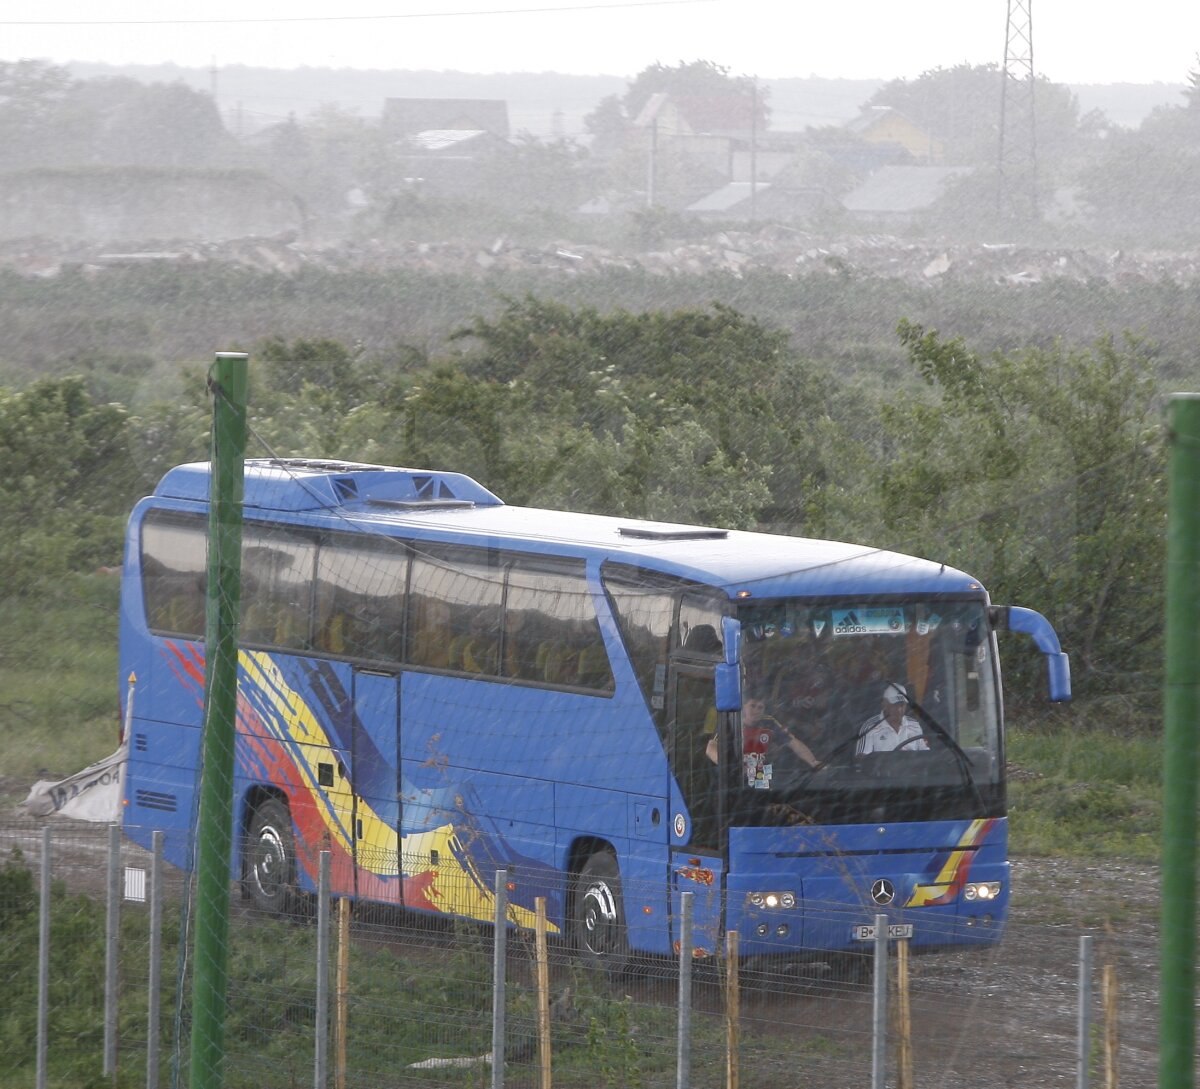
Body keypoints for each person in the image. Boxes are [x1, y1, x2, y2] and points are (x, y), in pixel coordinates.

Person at [705, 690, 819, 783]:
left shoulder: (769, 722)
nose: (756, 711)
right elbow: (711, 748)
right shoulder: (731, 721)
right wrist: (733, 767)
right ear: (743, 706)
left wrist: (814, 763)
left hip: (760, 775)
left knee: (762, 804)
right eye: (752, 706)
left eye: (760, 707)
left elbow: (793, 742)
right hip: (732, 777)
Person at [856, 683, 928, 754]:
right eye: (895, 705)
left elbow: (925, 756)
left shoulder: (914, 725)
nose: (899, 709)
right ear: (884, 704)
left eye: (902, 705)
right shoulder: (869, 727)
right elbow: (863, 761)